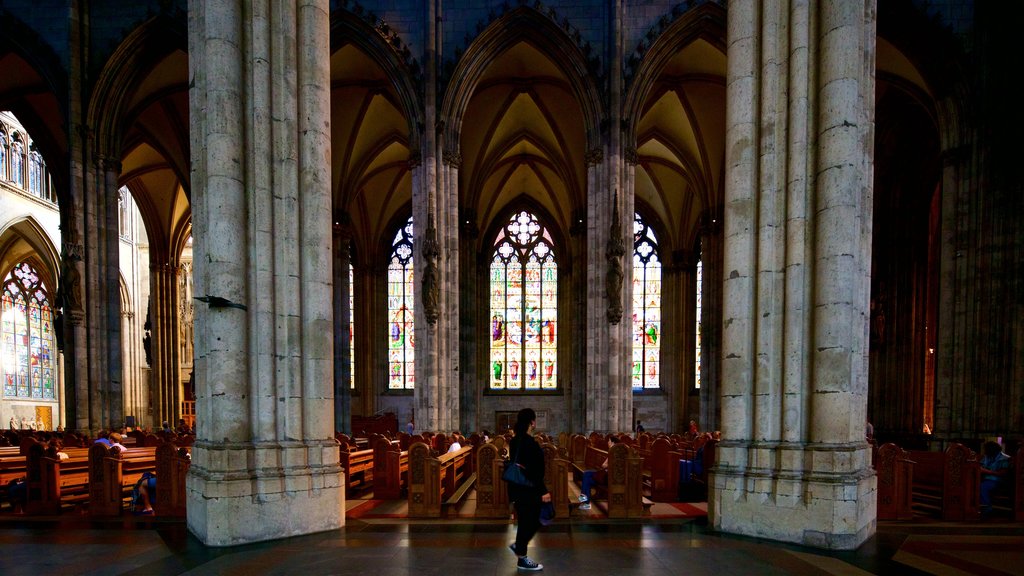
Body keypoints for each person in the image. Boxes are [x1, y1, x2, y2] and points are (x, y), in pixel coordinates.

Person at [505, 408, 549, 571]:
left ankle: (520, 548)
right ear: (532, 422)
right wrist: (543, 490)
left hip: (518, 487)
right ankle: (521, 555)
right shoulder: (529, 442)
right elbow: (533, 471)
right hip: (529, 489)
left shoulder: (515, 440)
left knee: (527, 519)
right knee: (538, 517)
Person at [579, 436, 617, 510]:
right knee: (586, 474)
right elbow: (604, 465)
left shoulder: (614, 452)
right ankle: (585, 502)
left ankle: (585, 502)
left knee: (587, 479)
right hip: (606, 475)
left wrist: (607, 465)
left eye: (609, 441)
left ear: (613, 442)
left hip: (608, 478)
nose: (608, 443)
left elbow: (605, 465)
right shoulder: (612, 451)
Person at [979, 440, 1011, 518]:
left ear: (991, 449)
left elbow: (1002, 473)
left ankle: (987, 508)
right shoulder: (987, 456)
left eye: (986, 449)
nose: (984, 451)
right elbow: (981, 465)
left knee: (982, 487)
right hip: (986, 479)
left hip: (997, 481)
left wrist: (986, 471)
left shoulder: (1004, 458)